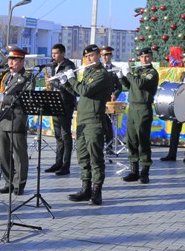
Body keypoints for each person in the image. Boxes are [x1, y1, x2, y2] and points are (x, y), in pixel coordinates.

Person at [67, 44, 117, 205]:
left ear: (99, 56)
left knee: (95, 157)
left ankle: (97, 191)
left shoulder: (102, 74)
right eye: (86, 57)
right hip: (82, 119)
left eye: (92, 56)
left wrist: (71, 78)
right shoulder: (88, 72)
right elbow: (77, 91)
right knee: (82, 156)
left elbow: (86, 91)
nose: (89, 59)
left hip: (94, 120)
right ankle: (85, 188)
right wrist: (65, 83)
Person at [0, 45, 32, 195]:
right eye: (10, 59)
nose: (10, 62)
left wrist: (5, 98)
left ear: (22, 61)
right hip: (3, 119)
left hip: (17, 119)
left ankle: (19, 184)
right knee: (3, 153)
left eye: (14, 60)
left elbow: (27, 98)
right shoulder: (6, 76)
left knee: (19, 154)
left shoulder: (27, 77)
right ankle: (8, 181)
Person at [119, 47, 159, 184]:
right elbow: (129, 86)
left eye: (147, 57)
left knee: (143, 141)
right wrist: (121, 76)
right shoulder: (137, 71)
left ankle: (145, 171)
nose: (144, 59)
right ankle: (134, 170)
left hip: (143, 108)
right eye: (142, 57)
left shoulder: (152, 72)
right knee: (131, 140)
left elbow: (139, 84)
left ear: (151, 58)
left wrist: (128, 74)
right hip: (132, 108)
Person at [44, 44, 76, 176]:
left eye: (56, 53)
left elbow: (68, 86)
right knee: (58, 135)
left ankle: (66, 165)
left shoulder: (69, 66)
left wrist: (52, 82)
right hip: (56, 102)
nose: (53, 56)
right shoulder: (54, 66)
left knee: (65, 135)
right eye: (52, 53)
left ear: (62, 53)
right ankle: (58, 162)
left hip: (65, 103)